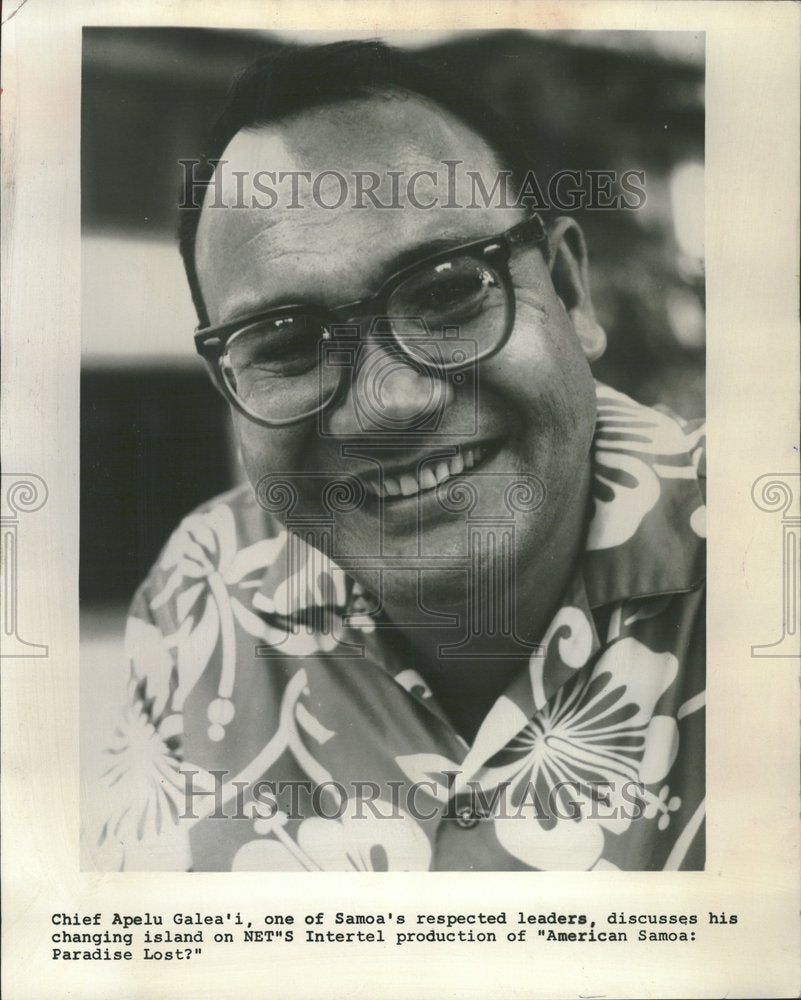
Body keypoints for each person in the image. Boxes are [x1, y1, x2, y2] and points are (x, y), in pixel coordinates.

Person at [93, 40, 706, 872]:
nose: (393, 402)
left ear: (567, 289)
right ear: (228, 380)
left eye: (449, 291)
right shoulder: (197, 586)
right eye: (284, 343)